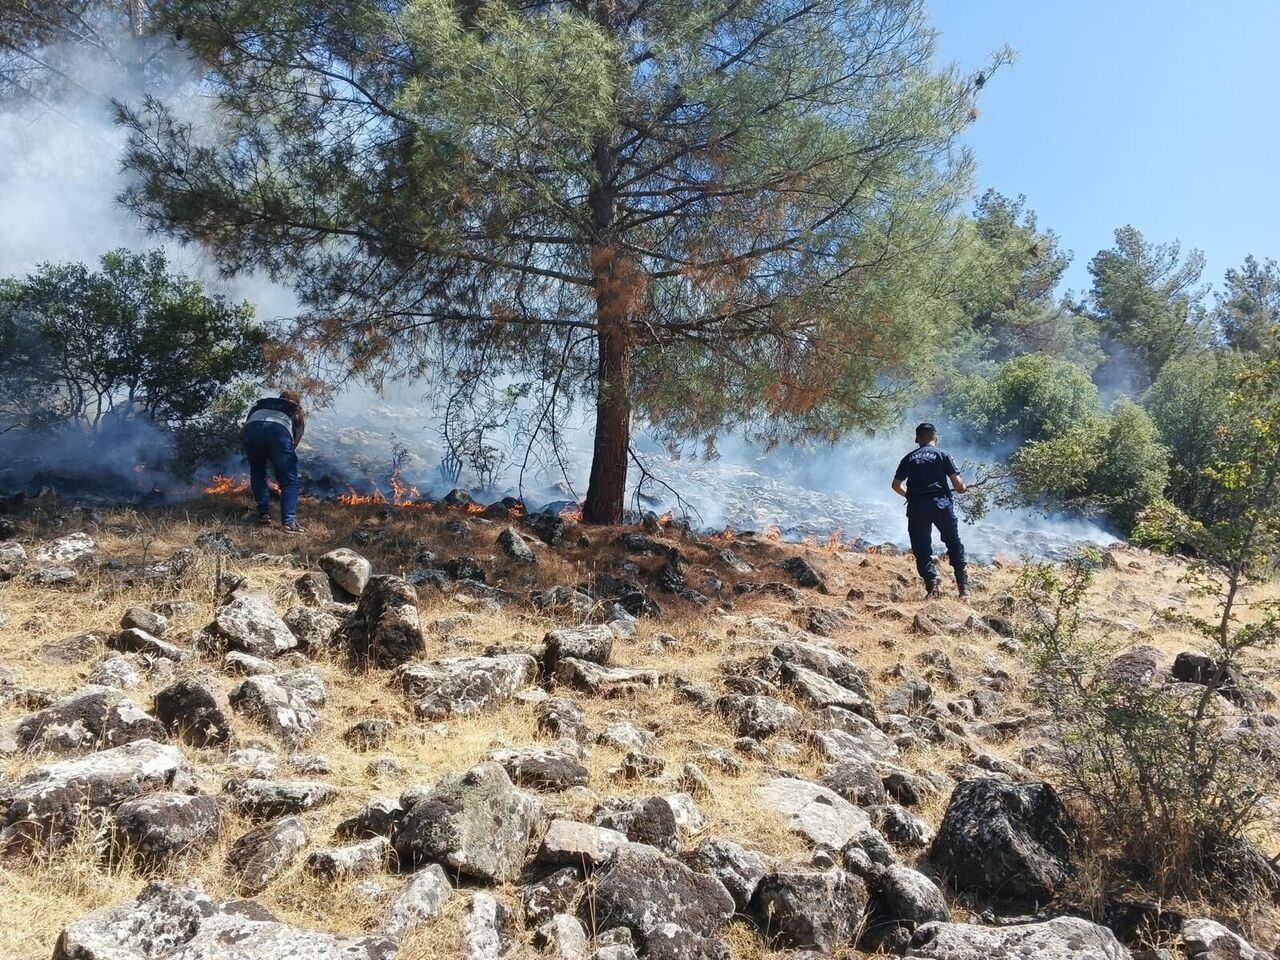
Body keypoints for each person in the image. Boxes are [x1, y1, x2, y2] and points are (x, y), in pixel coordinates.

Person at [891, 422, 968, 598]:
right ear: (935, 437)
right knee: (953, 543)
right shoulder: (943, 455)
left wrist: (910, 496)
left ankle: (932, 589)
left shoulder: (908, 458)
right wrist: (963, 488)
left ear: (917, 439)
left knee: (922, 548)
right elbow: (957, 484)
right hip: (941, 504)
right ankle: (963, 589)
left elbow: (896, 485)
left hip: (917, 507)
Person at [242, 390, 305, 533]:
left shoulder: (261, 404)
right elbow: (295, 439)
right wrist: (281, 460)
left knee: (257, 472)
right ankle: (289, 522)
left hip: (252, 430)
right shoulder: (296, 410)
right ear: (296, 401)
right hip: (278, 432)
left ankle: (264, 513)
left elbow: (248, 425)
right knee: (289, 480)